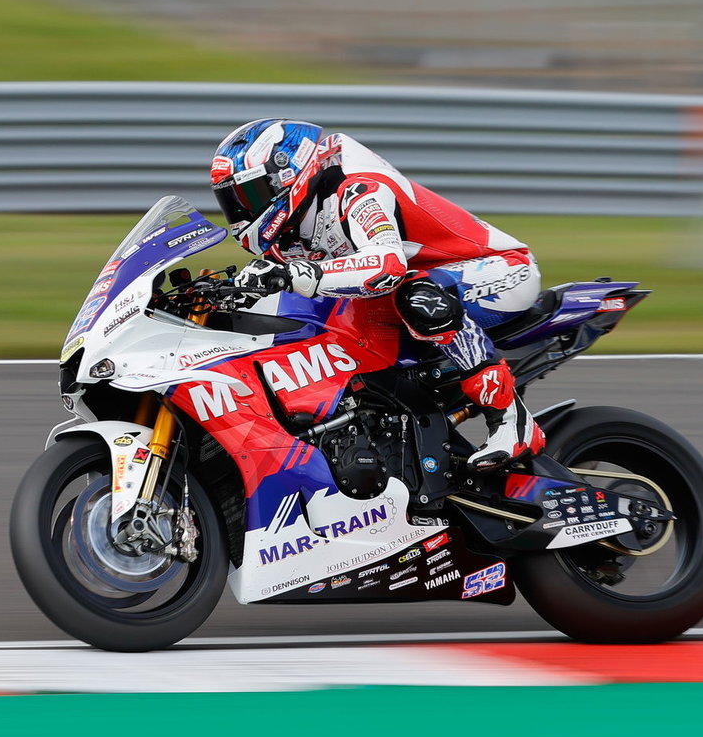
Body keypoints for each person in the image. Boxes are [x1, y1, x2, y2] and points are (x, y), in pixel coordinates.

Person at [210, 118, 545, 472]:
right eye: (232, 201)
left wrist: (298, 274)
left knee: (419, 297)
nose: (243, 211)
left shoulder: (359, 190)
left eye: (251, 195)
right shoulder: (292, 229)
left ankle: (512, 421)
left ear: (289, 172)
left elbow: (386, 266)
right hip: (422, 284)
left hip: (501, 269)